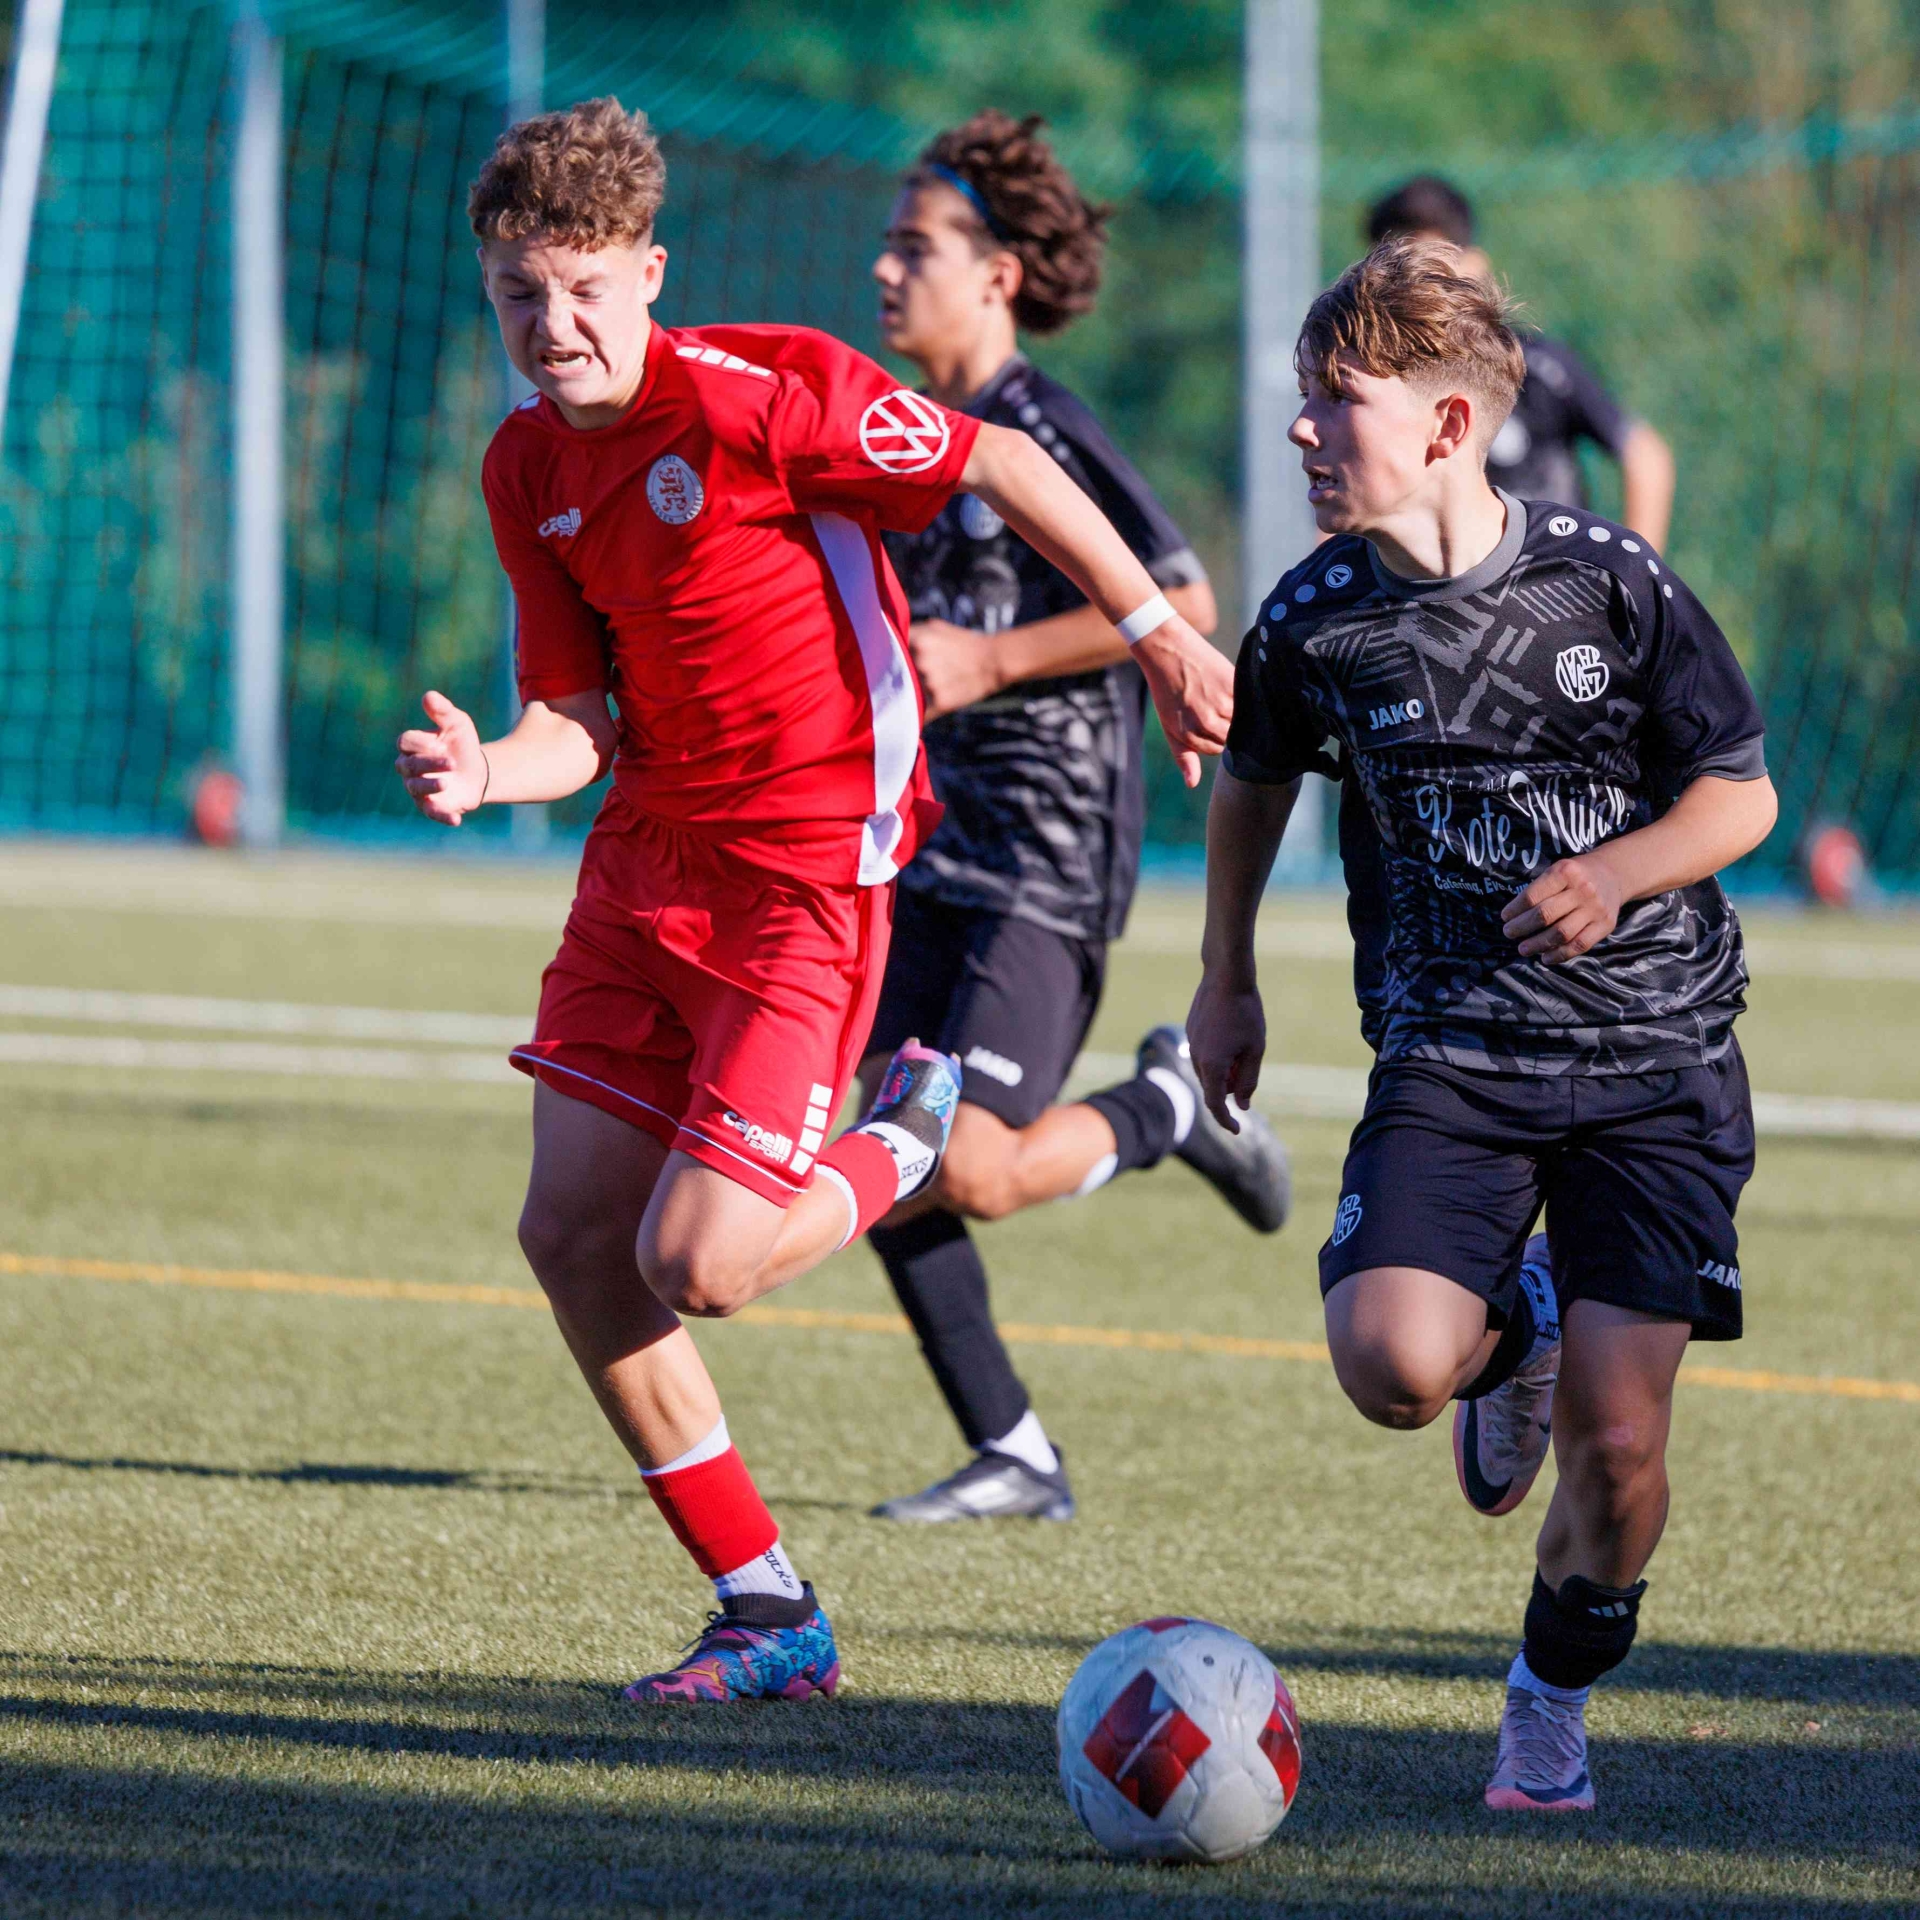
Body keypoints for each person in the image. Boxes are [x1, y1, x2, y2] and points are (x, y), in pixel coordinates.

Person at [393, 98, 1234, 1703]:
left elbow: (1000, 457)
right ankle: (767, 1609)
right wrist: (487, 771)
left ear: (650, 275)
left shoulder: (758, 396)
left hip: (806, 884)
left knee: (701, 1264)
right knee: (572, 1236)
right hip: (645, 870)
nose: (554, 325)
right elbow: (576, 719)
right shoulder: (526, 466)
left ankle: (905, 1134)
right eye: (519, 292)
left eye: (584, 288)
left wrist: (1159, 637)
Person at [1189, 237, 1776, 1811]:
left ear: (1449, 425)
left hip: (1654, 1059)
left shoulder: (1609, 582)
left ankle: (1548, 1698)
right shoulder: (1316, 620)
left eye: (1338, 399)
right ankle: (1514, 1323)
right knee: (1392, 1364)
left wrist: (1618, 872)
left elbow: (1742, 795)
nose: (1303, 427)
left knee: (1621, 1453)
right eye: (1304, 396)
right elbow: (1250, 783)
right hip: (1451, 1053)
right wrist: (1226, 975)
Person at [856, 110, 1293, 1525]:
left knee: (970, 1167)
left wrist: (992, 661)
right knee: (879, 1153)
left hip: (1045, 858)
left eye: (916, 248)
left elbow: (1186, 597)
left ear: (995, 275)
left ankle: (1170, 1105)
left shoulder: (1040, 427)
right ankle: (1014, 1454)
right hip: (929, 848)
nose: (885, 269)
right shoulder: (902, 433)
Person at [1367, 175, 1676, 551]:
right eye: (1394, 274)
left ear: (1474, 265)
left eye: (1430, 268)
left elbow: (1645, 457)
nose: (1413, 288)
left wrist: (1633, 571)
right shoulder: (1377, 382)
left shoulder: (1541, 368)